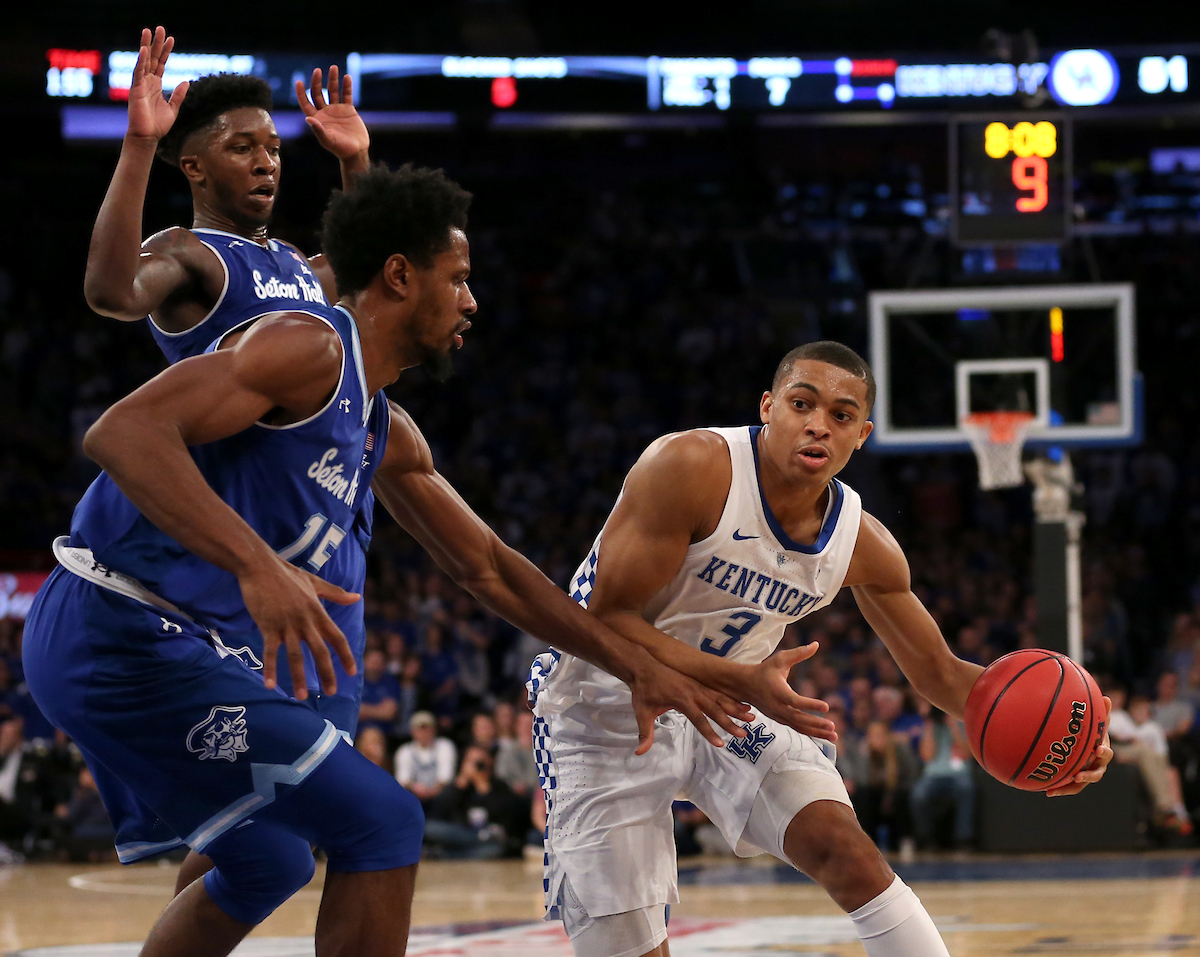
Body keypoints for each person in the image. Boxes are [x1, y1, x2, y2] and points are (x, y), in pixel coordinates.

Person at [23, 162, 813, 957]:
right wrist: (259, 566)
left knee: (271, 859)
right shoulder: (307, 347)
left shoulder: (382, 426)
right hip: (116, 626)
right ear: (400, 276)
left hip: (159, 638)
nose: (472, 301)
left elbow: (490, 567)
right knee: (385, 822)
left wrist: (638, 665)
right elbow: (121, 432)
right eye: (458, 278)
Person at [529, 341, 1114, 957]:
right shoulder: (691, 467)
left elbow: (942, 674)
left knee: (848, 853)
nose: (818, 425)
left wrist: (1070, 734)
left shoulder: (862, 544)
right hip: (604, 708)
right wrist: (737, 678)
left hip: (729, 711)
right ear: (768, 407)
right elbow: (606, 620)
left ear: (861, 436)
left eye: (840, 415)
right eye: (801, 404)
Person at [394, 711, 457, 807]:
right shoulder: (404, 751)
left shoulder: (444, 746)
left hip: (439, 795)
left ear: (434, 730)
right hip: (414, 795)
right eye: (419, 729)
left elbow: (446, 777)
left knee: (450, 792)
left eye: (427, 729)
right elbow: (403, 779)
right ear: (412, 731)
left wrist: (432, 790)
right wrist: (415, 787)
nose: (423, 733)